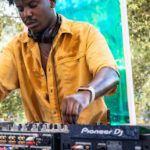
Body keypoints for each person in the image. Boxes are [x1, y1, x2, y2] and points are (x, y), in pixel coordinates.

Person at [0, 0, 119, 124]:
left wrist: (86, 93)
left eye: (33, 5)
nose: (26, 14)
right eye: (20, 9)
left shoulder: (86, 34)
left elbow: (110, 74)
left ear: (52, 2)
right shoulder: (15, 49)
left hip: (93, 137)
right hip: (43, 141)